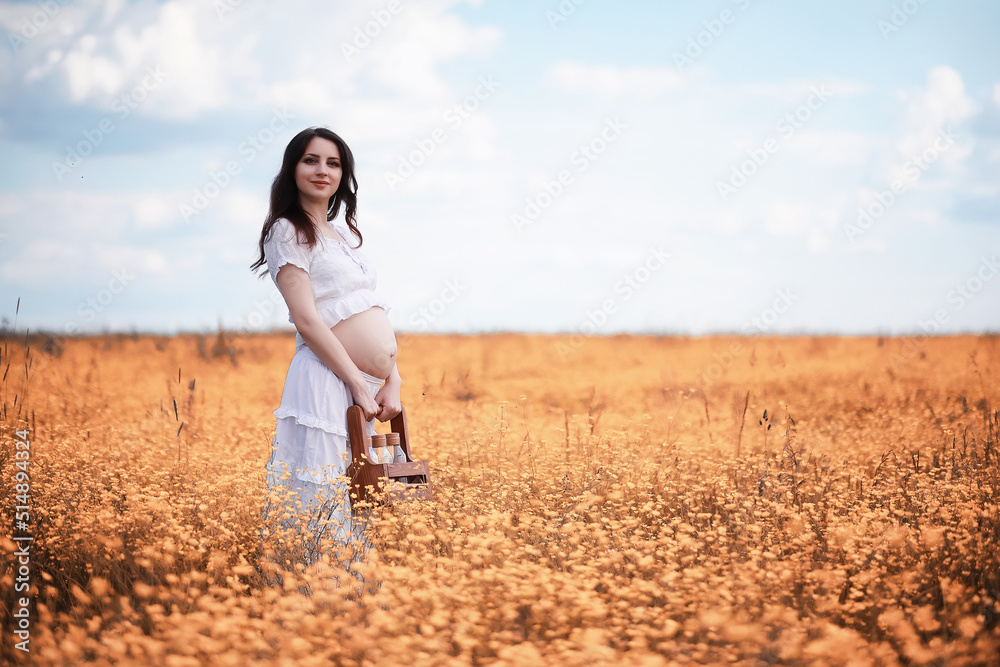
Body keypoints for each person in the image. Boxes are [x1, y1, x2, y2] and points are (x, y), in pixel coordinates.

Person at [250, 127, 403, 573]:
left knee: (359, 495)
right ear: (292, 168)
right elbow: (307, 319)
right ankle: (312, 593)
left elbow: (366, 308)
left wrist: (392, 378)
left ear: (344, 174)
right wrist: (357, 382)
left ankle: (355, 598)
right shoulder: (286, 231)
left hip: (366, 386)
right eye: (311, 160)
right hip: (326, 377)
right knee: (323, 493)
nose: (322, 171)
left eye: (333, 163)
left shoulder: (341, 235)